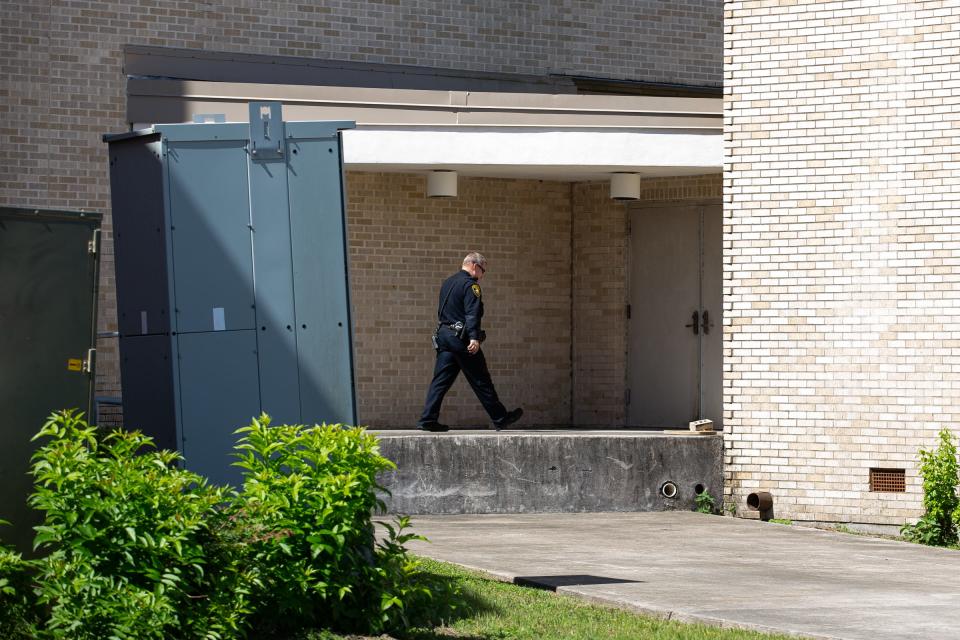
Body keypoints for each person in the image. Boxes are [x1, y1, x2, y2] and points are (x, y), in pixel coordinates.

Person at [417, 252, 523, 432]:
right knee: (480, 378)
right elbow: (472, 313)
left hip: (444, 336)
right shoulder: (470, 286)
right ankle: (500, 417)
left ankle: (427, 419)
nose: (482, 275)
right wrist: (474, 337)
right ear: (475, 266)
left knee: (440, 380)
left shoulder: (448, 282)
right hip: (461, 339)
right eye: (483, 271)